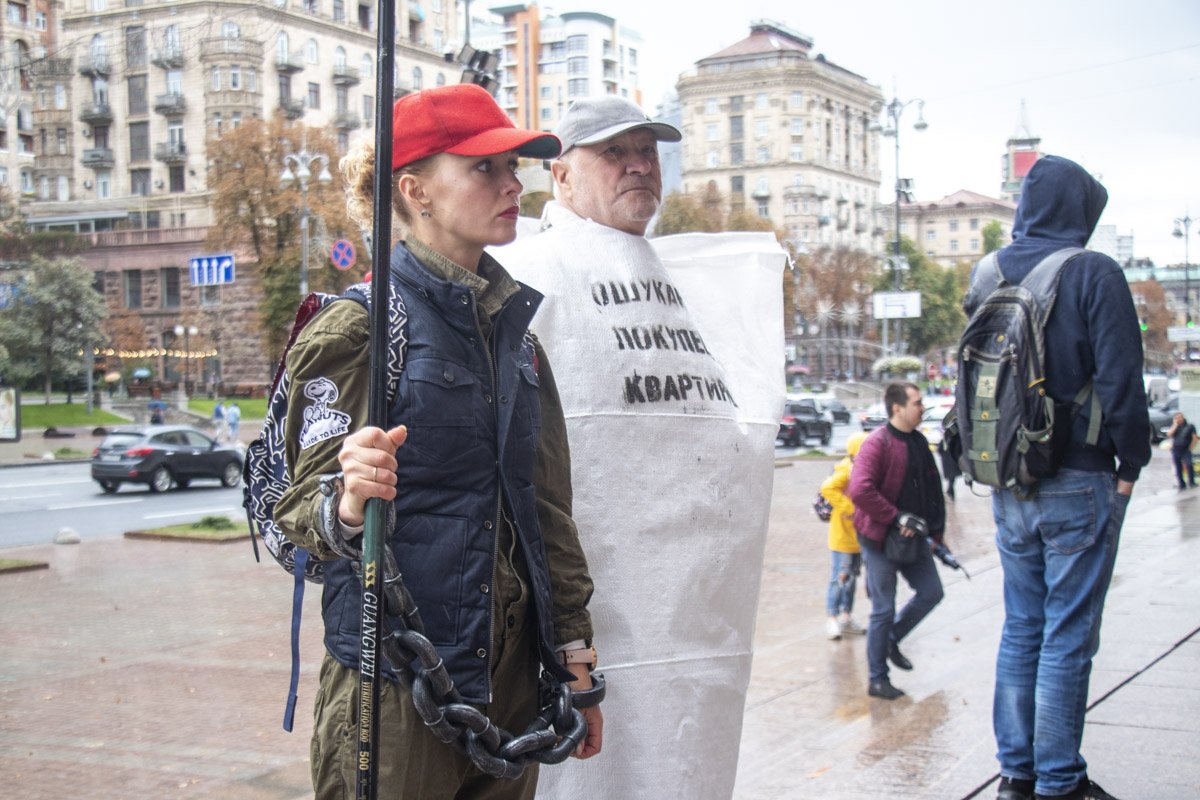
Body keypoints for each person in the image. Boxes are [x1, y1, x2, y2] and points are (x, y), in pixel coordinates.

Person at [273, 84, 601, 799]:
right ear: (416, 188)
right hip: (393, 693)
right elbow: (298, 511)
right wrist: (346, 499)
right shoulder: (357, 329)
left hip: (513, 686)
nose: (514, 183)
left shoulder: (515, 339)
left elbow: (546, 513)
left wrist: (574, 654)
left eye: (514, 166)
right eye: (485, 168)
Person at [494, 97, 785, 799]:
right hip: (587, 614)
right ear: (559, 174)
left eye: (647, 152)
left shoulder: (682, 280)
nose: (637, 166)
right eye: (613, 153)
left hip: (697, 615)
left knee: (686, 765)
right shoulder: (524, 272)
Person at [966, 156, 1151, 800]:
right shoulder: (1094, 272)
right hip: (1079, 475)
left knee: (1022, 625)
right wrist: (1132, 463)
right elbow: (1123, 383)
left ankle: (1016, 772)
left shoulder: (986, 271)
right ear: (1081, 210)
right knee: (1068, 632)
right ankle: (1061, 781)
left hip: (1008, 478)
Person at [848, 381, 946, 701]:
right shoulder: (877, 443)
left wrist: (937, 534)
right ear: (897, 408)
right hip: (878, 539)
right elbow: (860, 490)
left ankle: (891, 639)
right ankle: (878, 679)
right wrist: (896, 517)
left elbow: (933, 491)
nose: (922, 409)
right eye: (917, 403)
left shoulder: (919, 442)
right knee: (883, 608)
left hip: (914, 538)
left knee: (931, 592)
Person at [821, 431, 869, 640]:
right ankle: (832, 617)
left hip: (858, 537)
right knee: (840, 577)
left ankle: (846, 616)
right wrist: (851, 510)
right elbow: (828, 488)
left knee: (850, 579)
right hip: (843, 537)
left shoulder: (863, 469)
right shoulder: (847, 470)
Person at [1166, 411, 1197, 490]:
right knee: (1178, 466)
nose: (1179, 419)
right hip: (1176, 449)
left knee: (1189, 464)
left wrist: (1191, 447)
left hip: (1186, 449)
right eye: (1177, 418)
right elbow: (1169, 434)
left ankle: (1191, 481)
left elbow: (1194, 437)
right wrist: (1175, 425)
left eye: (1180, 417)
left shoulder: (1190, 426)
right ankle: (1181, 483)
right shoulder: (1175, 427)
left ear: (1183, 417)